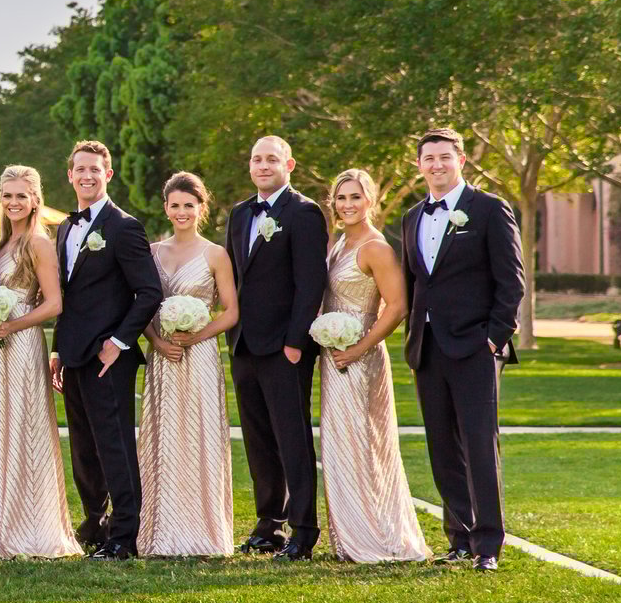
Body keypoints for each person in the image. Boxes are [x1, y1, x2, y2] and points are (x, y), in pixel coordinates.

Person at [400, 128, 523, 571]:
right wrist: (413, 339)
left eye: (444, 157)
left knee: (478, 446)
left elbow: (511, 281)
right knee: (442, 447)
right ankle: (459, 538)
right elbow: (414, 284)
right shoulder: (412, 216)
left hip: (475, 347)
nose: (436, 165)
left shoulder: (489, 209)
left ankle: (487, 545)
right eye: (428, 158)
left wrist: (494, 337)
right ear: (419, 165)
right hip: (428, 348)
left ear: (461, 161)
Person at [50, 140, 162, 561]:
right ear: (70, 175)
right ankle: (95, 523)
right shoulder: (64, 228)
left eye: (95, 169)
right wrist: (57, 350)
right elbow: (67, 297)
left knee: (114, 445)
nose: (87, 176)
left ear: (108, 174)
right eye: (80, 169)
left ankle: (124, 535)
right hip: (73, 354)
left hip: (108, 358)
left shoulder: (124, 227)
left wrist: (118, 343)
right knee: (83, 446)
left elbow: (148, 292)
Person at [223, 135, 327, 560]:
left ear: (289, 165)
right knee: (258, 438)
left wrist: (295, 342)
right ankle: (270, 524)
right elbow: (235, 278)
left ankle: (304, 530)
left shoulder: (304, 212)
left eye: (271, 159)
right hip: (244, 345)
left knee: (292, 439)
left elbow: (311, 282)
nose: (263, 166)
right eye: (256, 159)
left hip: (285, 347)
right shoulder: (239, 214)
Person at [320, 169, 428, 563]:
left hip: (360, 358)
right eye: (341, 198)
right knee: (340, 444)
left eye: (355, 197)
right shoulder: (339, 244)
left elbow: (397, 307)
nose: (347, 205)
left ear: (370, 200)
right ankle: (350, 534)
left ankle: (378, 535)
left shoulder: (376, 247)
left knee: (364, 443)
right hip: (334, 355)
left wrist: (359, 348)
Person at [0, 165, 78, 559]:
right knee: (3, 430)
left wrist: (13, 324)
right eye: (7, 195)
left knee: (28, 429)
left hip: (23, 344)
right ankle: (5, 527)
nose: (13, 202)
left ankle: (35, 529)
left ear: (35, 199)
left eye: (21, 195)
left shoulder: (39, 244)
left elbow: (54, 304)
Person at [138, 172, 237, 557]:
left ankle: (205, 532)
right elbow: (142, 306)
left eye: (189, 205)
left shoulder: (215, 254)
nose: (182, 212)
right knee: (162, 436)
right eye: (175, 205)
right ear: (166, 208)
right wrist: (158, 342)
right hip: (163, 359)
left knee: (201, 434)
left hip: (200, 358)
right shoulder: (151, 252)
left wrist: (196, 337)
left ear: (201, 208)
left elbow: (231, 312)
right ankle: (160, 530)